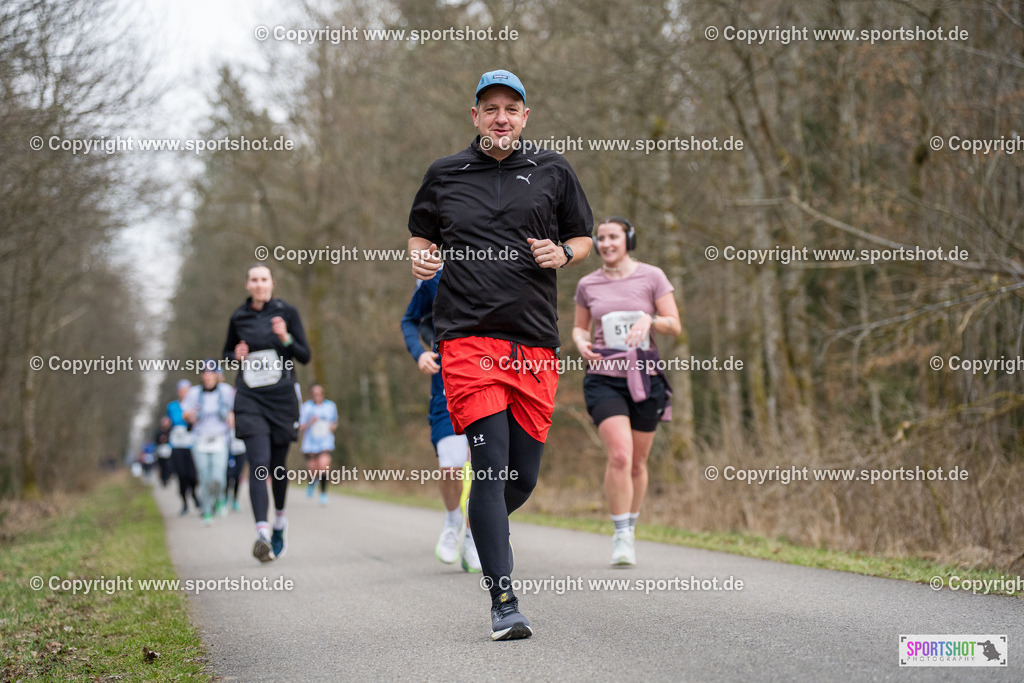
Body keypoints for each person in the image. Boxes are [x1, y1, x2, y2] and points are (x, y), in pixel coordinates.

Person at [408, 69, 593, 640]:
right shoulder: (444, 174)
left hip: (534, 340)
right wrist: (420, 258)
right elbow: (419, 233)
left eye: (511, 108)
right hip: (467, 338)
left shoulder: (553, 170)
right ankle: (503, 600)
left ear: (525, 117)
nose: (501, 117)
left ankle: (480, 528)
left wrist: (561, 253)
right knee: (488, 470)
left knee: (523, 477)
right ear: (475, 116)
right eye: (490, 108)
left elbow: (582, 237)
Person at [572, 217, 681, 566]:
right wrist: (581, 343)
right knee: (619, 454)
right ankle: (620, 535)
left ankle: (630, 528)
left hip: (644, 376)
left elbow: (674, 325)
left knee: (637, 461)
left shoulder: (652, 276)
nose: (606, 244)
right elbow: (578, 328)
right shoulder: (588, 284)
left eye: (613, 237)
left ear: (628, 240)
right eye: (600, 238)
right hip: (603, 376)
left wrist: (650, 320)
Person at [222, 263, 311, 562]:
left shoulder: (288, 312)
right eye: (253, 280)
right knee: (257, 462)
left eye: (263, 279)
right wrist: (235, 355)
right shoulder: (239, 316)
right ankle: (261, 533)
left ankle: (279, 522)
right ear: (247, 285)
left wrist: (285, 337)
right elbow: (226, 353)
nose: (259, 284)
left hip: (282, 399)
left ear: (272, 283)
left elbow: (305, 355)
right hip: (249, 399)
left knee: (277, 466)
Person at [401, 270, 481, 572]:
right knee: (451, 463)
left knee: (486, 468)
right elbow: (409, 320)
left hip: (491, 380)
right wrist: (419, 353)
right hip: (447, 389)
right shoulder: (434, 277)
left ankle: (474, 537)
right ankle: (452, 520)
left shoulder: (500, 263)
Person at [182, 360, 236, 526]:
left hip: (220, 439)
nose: (208, 376)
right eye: (205, 372)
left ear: (217, 375)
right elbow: (185, 414)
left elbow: (237, 409)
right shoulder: (193, 393)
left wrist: (232, 417)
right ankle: (207, 511)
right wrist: (188, 416)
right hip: (200, 440)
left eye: (211, 372)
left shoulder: (226, 392)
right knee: (204, 478)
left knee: (218, 477)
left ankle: (220, 498)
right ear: (201, 375)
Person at [299, 383, 338, 506]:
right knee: (313, 469)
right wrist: (311, 421)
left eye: (319, 393)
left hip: (325, 441)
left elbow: (334, 421)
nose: (317, 396)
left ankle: (323, 494)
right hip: (310, 443)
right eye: (315, 394)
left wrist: (332, 427)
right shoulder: (306, 407)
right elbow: (301, 426)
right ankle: (311, 482)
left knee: (323, 466)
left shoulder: (330, 406)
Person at [167, 379, 200, 515]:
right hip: (176, 445)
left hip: (191, 444)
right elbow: (173, 420)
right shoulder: (172, 406)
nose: (183, 393)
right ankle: (185, 504)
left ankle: (194, 494)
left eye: (186, 391)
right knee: (181, 475)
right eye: (181, 391)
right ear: (178, 392)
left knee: (192, 475)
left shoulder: (196, 405)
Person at [225, 428, 247, 512]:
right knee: (228, 476)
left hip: (241, 452)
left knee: (237, 477)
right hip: (229, 453)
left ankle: (235, 500)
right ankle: (226, 498)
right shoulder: (226, 427)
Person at [154, 416, 174, 487]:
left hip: (169, 450)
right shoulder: (158, 431)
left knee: (168, 465)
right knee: (162, 465)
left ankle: (167, 478)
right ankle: (163, 479)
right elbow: (155, 441)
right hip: (160, 450)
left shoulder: (171, 431)